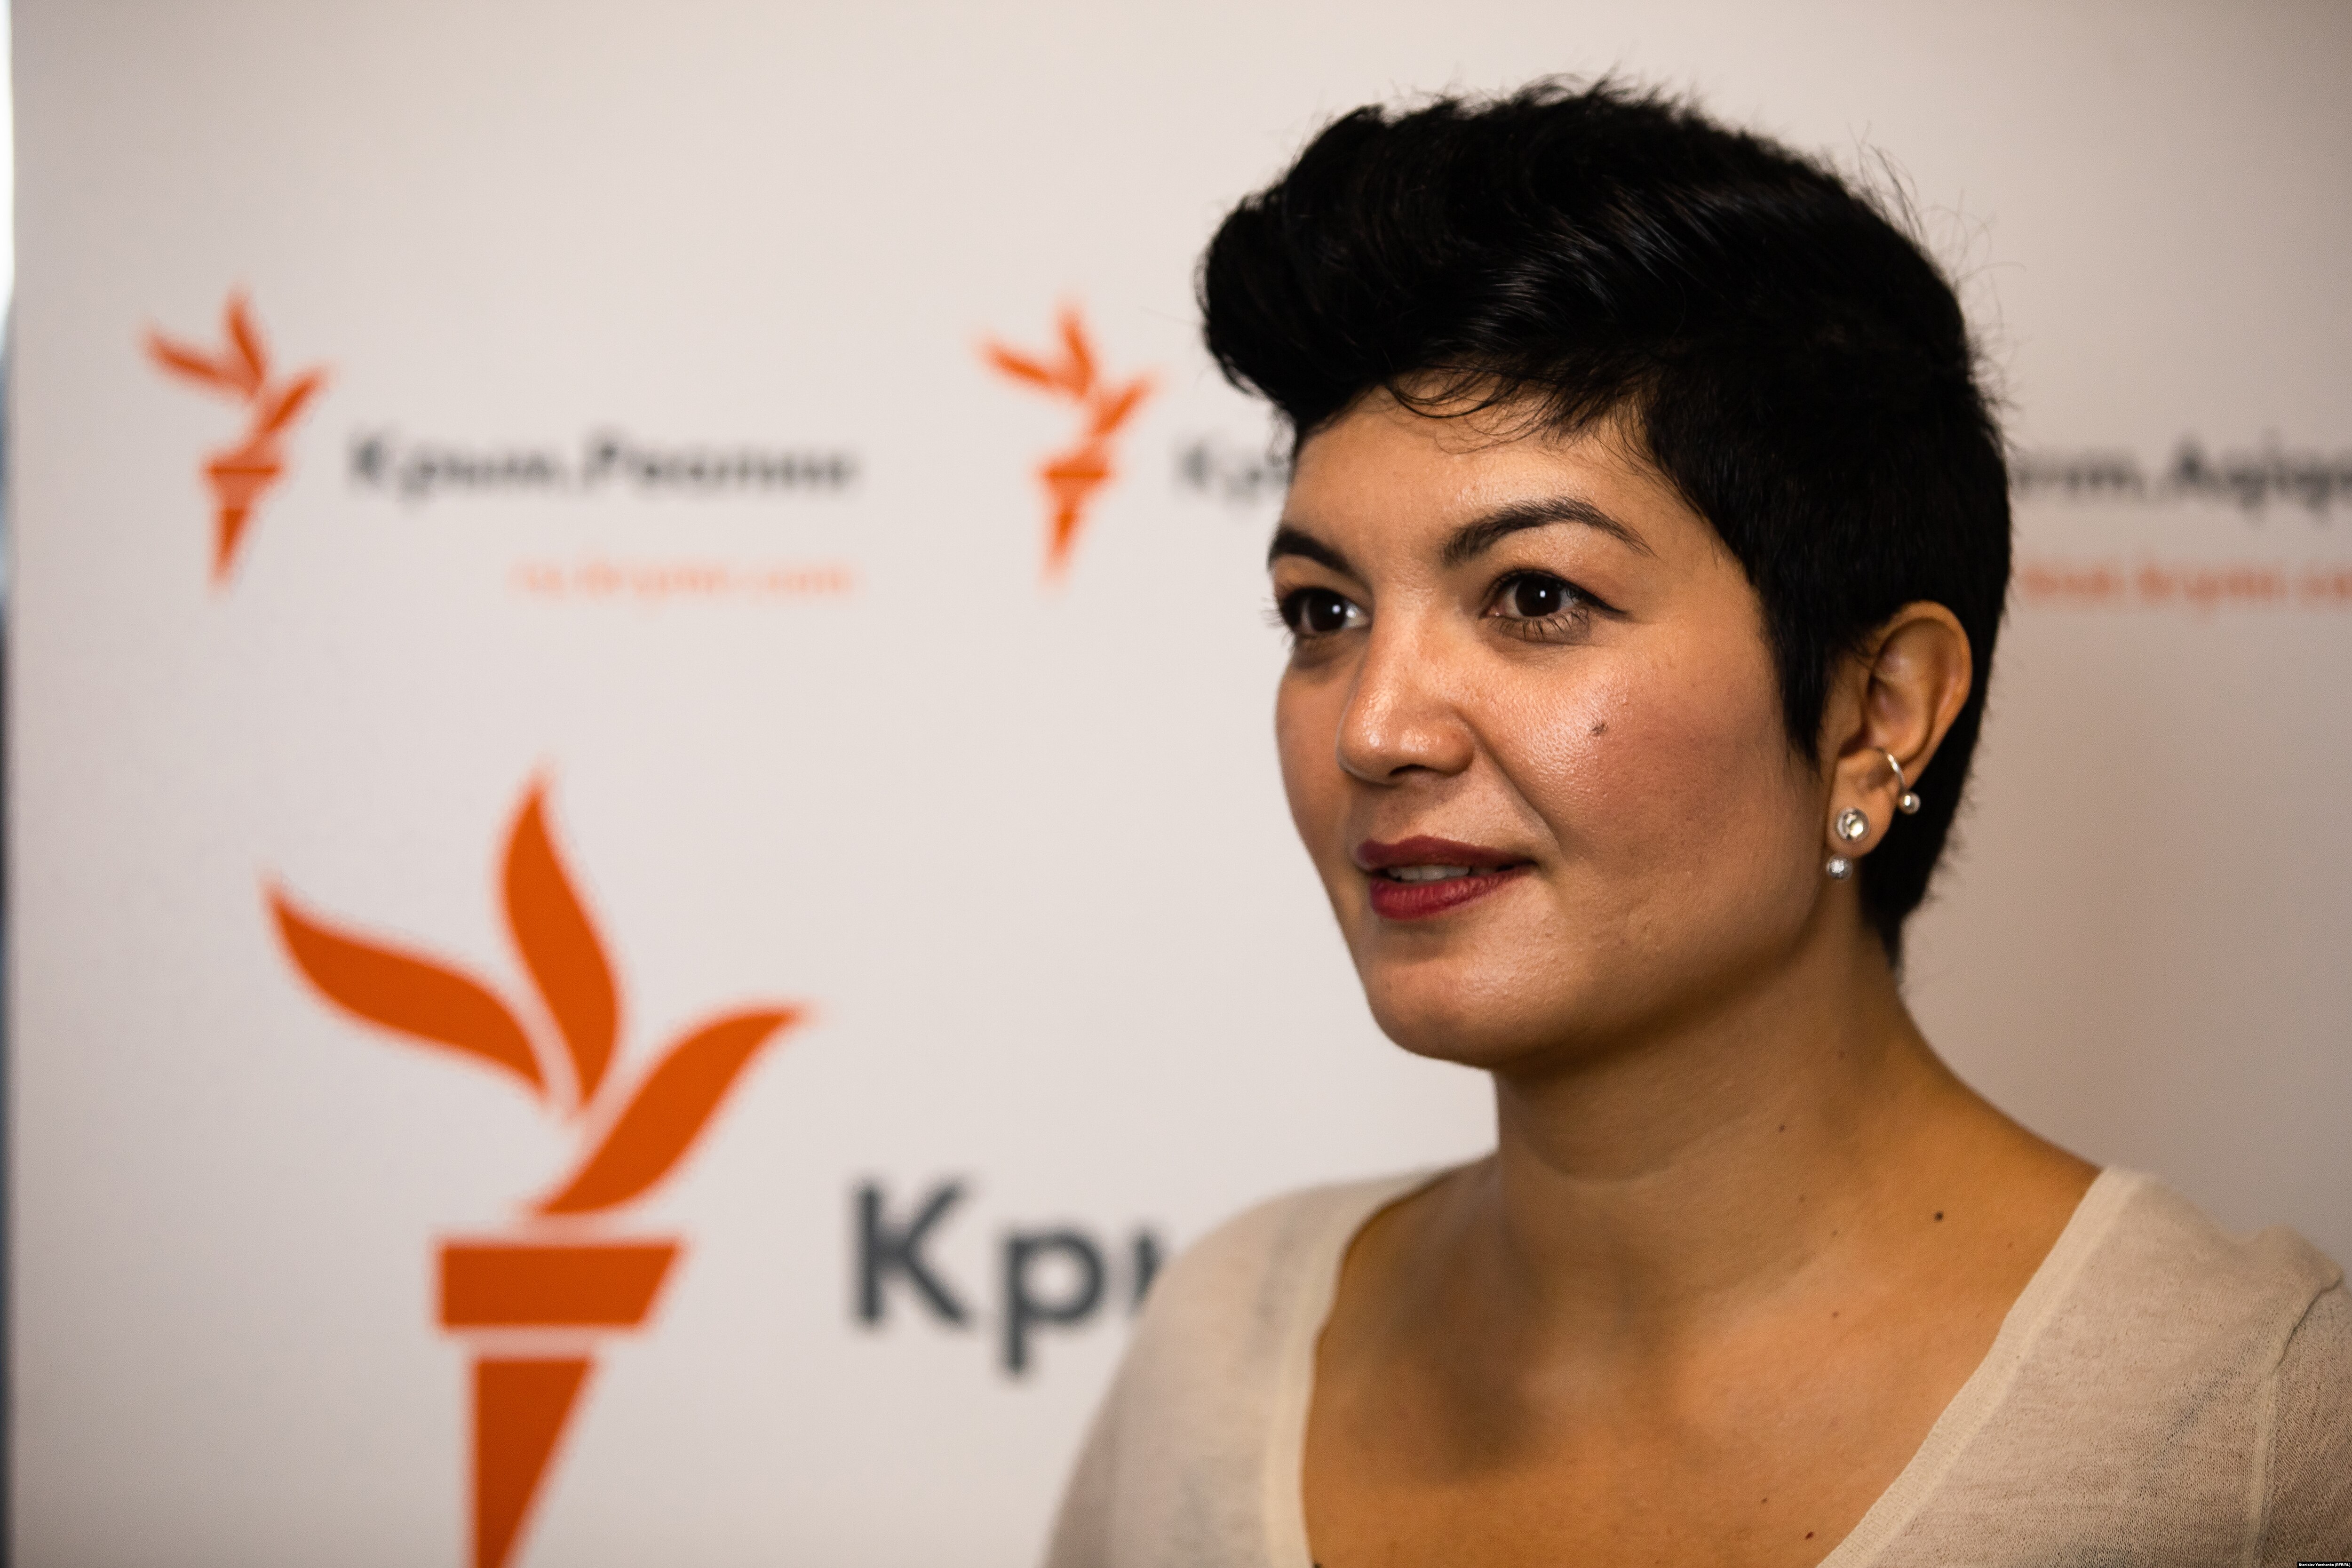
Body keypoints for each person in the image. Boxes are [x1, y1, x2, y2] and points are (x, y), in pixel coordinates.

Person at [1044, 80, 2352, 1566]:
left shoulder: (2258, 1429)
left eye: (1536, 597)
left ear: (1875, 713)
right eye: (1324, 612)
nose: (1375, 729)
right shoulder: (1222, 1355)